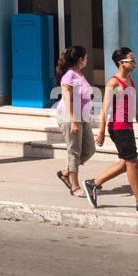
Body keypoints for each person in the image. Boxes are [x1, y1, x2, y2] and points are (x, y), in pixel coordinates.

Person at [85, 48, 138, 215]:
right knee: (132, 162)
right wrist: (101, 133)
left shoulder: (130, 80)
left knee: (125, 163)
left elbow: (131, 104)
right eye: (131, 60)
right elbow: (104, 109)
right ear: (121, 63)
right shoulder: (113, 83)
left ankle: (93, 183)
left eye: (134, 59)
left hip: (127, 125)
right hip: (118, 127)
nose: (134, 63)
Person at [54, 45, 95, 197]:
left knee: (89, 149)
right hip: (69, 117)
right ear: (80, 60)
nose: (86, 60)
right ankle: (75, 186)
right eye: (85, 58)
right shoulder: (69, 76)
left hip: (82, 117)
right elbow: (67, 99)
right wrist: (72, 121)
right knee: (74, 151)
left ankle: (66, 172)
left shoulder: (80, 74)